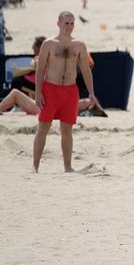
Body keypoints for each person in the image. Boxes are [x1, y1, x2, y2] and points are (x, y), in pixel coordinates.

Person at [32, 11, 99, 173]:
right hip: (50, 89)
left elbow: (85, 69)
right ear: (59, 24)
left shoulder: (79, 45)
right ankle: (35, 166)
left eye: (72, 23)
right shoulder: (48, 44)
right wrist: (38, 93)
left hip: (70, 91)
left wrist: (91, 92)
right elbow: (40, 70)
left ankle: (68, 167)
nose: (69, 26)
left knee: (67, 130)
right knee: (43, 128)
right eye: (66, 23)